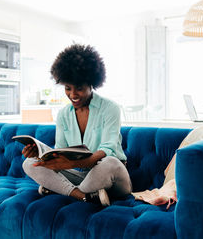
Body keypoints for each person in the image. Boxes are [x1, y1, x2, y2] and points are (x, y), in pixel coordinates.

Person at [22, 44, 131, 206]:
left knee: (110, 162)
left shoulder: (110, 108)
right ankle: (83, 195)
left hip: (113, 176)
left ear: (92, 84)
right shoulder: (64, 115)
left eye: (79, 88)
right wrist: (40, 155)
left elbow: (107, 148)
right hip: (85, 177)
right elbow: (60, 150)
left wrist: (72, 164)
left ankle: (60, 188)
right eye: (68, 88)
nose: (73, 95)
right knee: (30, 163)